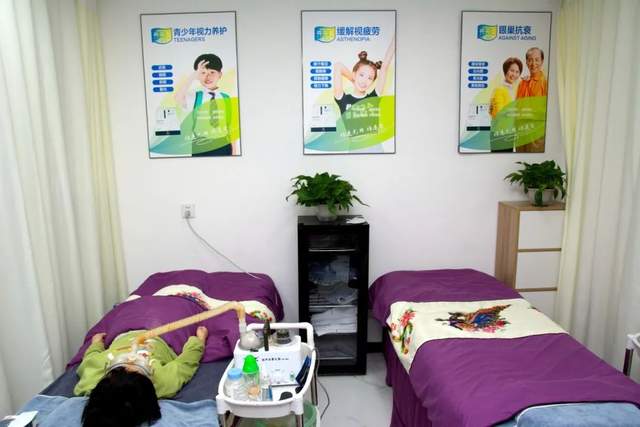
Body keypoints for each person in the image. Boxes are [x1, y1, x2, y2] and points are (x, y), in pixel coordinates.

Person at [77, 326, 209, 427]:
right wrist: (199, 340)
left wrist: (96, 343)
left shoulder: (91, 379)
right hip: (160, 334)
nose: (130, 360)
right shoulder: (163, 382)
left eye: (120, 369)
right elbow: (186, 362)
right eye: (136, 369)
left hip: (122, 334)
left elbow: (90, 357)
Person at [173, 53, 237, 156]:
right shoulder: (195, 96)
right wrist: (193, 76)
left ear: (220, 74)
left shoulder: (226, 98)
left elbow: (231, 126)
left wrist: (234, 151)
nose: (208, 76)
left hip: (223, 145)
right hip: (201, 145)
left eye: (212, 72)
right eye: (203, 72)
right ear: (198, 75)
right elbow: (178, 97)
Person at [333, 36, 395, 115]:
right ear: (354, 74)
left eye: (369, 78)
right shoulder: (343, 99)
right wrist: (354, 80)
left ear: (372, 82)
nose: (364, 81)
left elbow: (384, 67)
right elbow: (338, 66)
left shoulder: (373, 98)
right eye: (361, 75)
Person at [515, 47, 547, 152]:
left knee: (534, 161)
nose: (533, 64)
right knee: (518, 161)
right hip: (521, 134)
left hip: (535, 136)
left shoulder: (545, 82)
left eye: (537, 60)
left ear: (542, 61)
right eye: (530, 60)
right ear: (526, 62)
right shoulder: (522, 83)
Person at [489, 57, 523, 152]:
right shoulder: (499, 89)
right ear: (506, 70)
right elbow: (499, 114)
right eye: (512, 70)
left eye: (517, 72)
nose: (514, 74)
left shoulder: (512, 89)